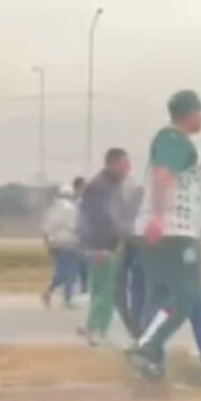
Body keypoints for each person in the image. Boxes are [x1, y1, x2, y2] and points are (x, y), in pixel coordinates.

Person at [126, 90, 201, 387]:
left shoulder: (172, 140)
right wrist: (159, 217)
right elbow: (162, 176)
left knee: (170, 298)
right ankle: (149, 348)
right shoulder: (173, 139)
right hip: (175, 233)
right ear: (190, 114)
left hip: (168, 233)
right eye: (200, 112)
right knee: (187, 299)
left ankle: (157, 364)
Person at [75, 148, 133, 346]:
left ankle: (95, 329)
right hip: (103, 245)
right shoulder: (102, 187)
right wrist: (101, 246)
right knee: (108, 291)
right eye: (124, 164)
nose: (128, 169)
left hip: (104, 244)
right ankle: (96, 330)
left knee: (101, 290)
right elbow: (100, 218)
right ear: (112, 163)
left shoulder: (111, 185)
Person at [114, 181, 147, 338]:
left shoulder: (136, 196)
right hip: (132, 246)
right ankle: (138, 331)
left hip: (136, 246)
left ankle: (138, 332)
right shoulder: (134, 198)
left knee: (136, 289)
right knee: (135, 290)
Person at [41, 184, 81, 309]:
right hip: (69, 243)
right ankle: (67, 299)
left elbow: (45, 228)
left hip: (55, 244)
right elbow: (74, 227)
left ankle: (49, 291)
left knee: (61, 271)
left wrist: (47, 241)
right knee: (72, 272)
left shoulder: (51, 209)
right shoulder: (71, 209)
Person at [71, 176, 89, 294]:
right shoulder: (76, 203)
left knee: (84, 261)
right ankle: (82, 285)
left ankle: (84, 285)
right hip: (79, 235)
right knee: (81, 261)